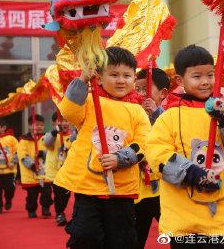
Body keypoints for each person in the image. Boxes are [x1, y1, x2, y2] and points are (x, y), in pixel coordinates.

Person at [146, 45, 224, 248]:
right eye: (197, 76)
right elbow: (156, 153)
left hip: (222, 213)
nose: (205, 82)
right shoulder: (168, 116)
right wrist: (193, 174)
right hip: (183, 215)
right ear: (180, 80)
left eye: (210, 75)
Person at [54, 46, 151, 248]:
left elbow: (145, 144)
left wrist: (120, 158)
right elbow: (69, 112)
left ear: (134, 78)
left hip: (121, 189)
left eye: (127, 75)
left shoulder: (138, 111)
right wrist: (82, 79)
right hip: (87, 186)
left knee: (121, 240)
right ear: (99, 78)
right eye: (114, 74)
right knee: (85, 235)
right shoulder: (90, 101)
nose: (121, 80)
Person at [134, 68, 170, 249]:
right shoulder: (133, 112)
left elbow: (172, 135)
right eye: (137, 89)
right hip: (139, 190)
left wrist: (156, 113)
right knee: (135, 238)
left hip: (164, 189)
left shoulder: (169, 114)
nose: (140, 94)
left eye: (144, 89)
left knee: (177, 234)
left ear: (163, 93)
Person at [17, 114, 53, 218]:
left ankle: (46, 209)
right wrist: (33, 166)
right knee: (32, 195)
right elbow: (22, 155)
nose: (39, 127)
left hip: (45, 173)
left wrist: (43, 154)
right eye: (36, 124)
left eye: (41, 125)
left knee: (47, 194)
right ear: (29, 126)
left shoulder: (46, 138)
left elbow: (51, 151)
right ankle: (31, 210)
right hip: (31, 174)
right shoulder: (23, 140)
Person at [43, 112, 74, 226]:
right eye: (61, 120)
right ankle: (59, 213)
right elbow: (47, 143)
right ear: (54, 123)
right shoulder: (50, 135)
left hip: (67, 171)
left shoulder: (72, 135)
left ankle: (61, 210)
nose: (64, 123)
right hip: (53, 171)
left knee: (65, 194)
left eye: (67, 120)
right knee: (57, 193)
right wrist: (55, 132)